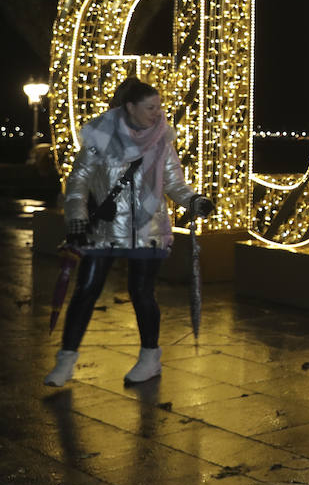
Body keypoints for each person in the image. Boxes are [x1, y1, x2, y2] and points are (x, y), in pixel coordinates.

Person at [44, 77, 214, 387]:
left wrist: (194, 200)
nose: (158, 112)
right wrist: (78, 219)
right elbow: (79, 181)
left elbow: (174, 182)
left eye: (159, 106)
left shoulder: (162, 139)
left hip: (147, 227)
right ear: (131, 107)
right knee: (86, 290)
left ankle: (150, 357)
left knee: (142, 292)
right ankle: (66, 360)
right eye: (151, 107)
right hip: (104, 228)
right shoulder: (100, 136)